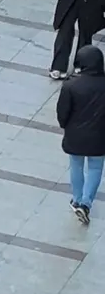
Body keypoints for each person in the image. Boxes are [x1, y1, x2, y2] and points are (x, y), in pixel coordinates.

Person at [55, 45, 105, 225]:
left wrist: (64, 125)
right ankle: (86, 203)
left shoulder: (71, 85)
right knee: (95, 168)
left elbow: (62, 112)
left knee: (76, 165)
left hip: (75, 135)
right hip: (99, 136)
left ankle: (77, 200)